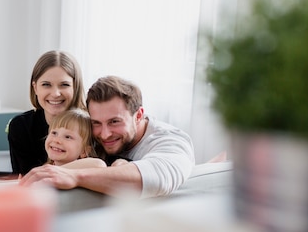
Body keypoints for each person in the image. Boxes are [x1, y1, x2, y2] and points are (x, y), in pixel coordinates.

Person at [20, 75, 195, 197]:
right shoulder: (91, 137)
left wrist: (75, 176)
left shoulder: (170, 141)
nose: (104, 134)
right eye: (96, 123)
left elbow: (155, 179)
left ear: (139, 115)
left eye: (114, 122)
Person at [8, 50, 86, 175]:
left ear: (75, 87)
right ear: (35, 88)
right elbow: (28, 179)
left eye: (64, 85)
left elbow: (102, 167)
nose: (55, 94)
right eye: (46, 84)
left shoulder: (90, 123)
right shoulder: (21, 126)